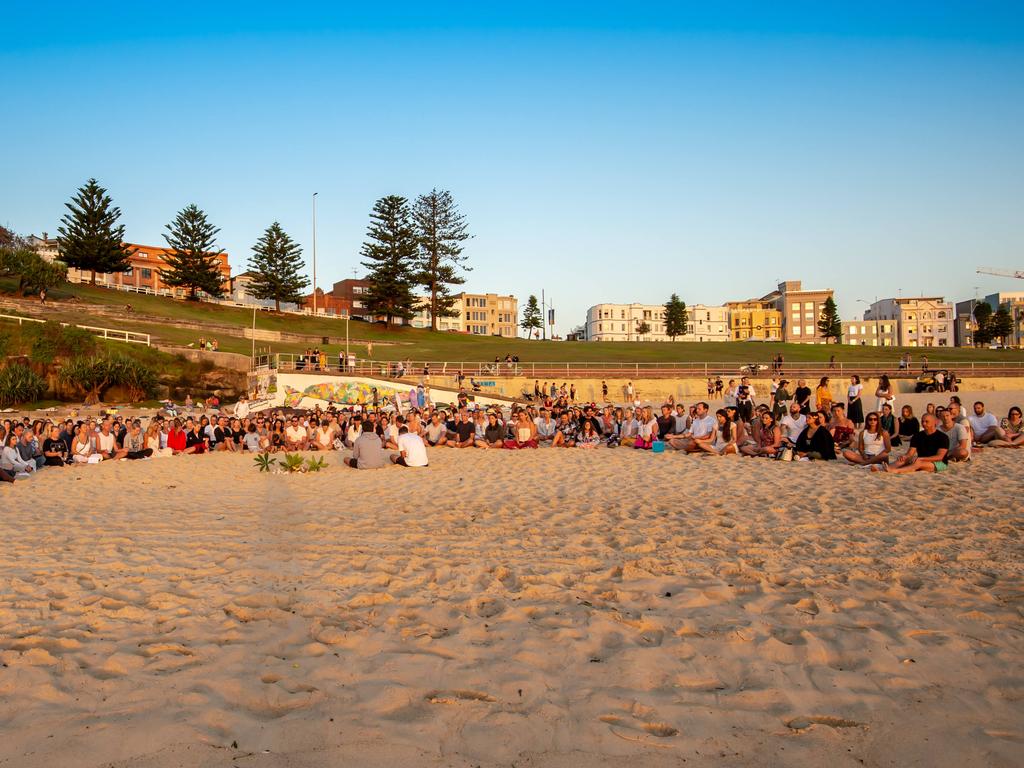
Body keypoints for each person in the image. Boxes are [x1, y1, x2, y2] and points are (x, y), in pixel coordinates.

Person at [877, 413, 947, 473]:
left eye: (926, 421)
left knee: (918, 463)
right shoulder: (917, 436)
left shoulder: (942, 437)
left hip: (939, 463)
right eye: (922, 421)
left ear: (935, 422)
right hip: (920, 460)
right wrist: (905, 456)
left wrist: (921, 459)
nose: (924, 424)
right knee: (904, 459)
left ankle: (896, 471)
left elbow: (940, 457)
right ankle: (887, 468)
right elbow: (910, 453)